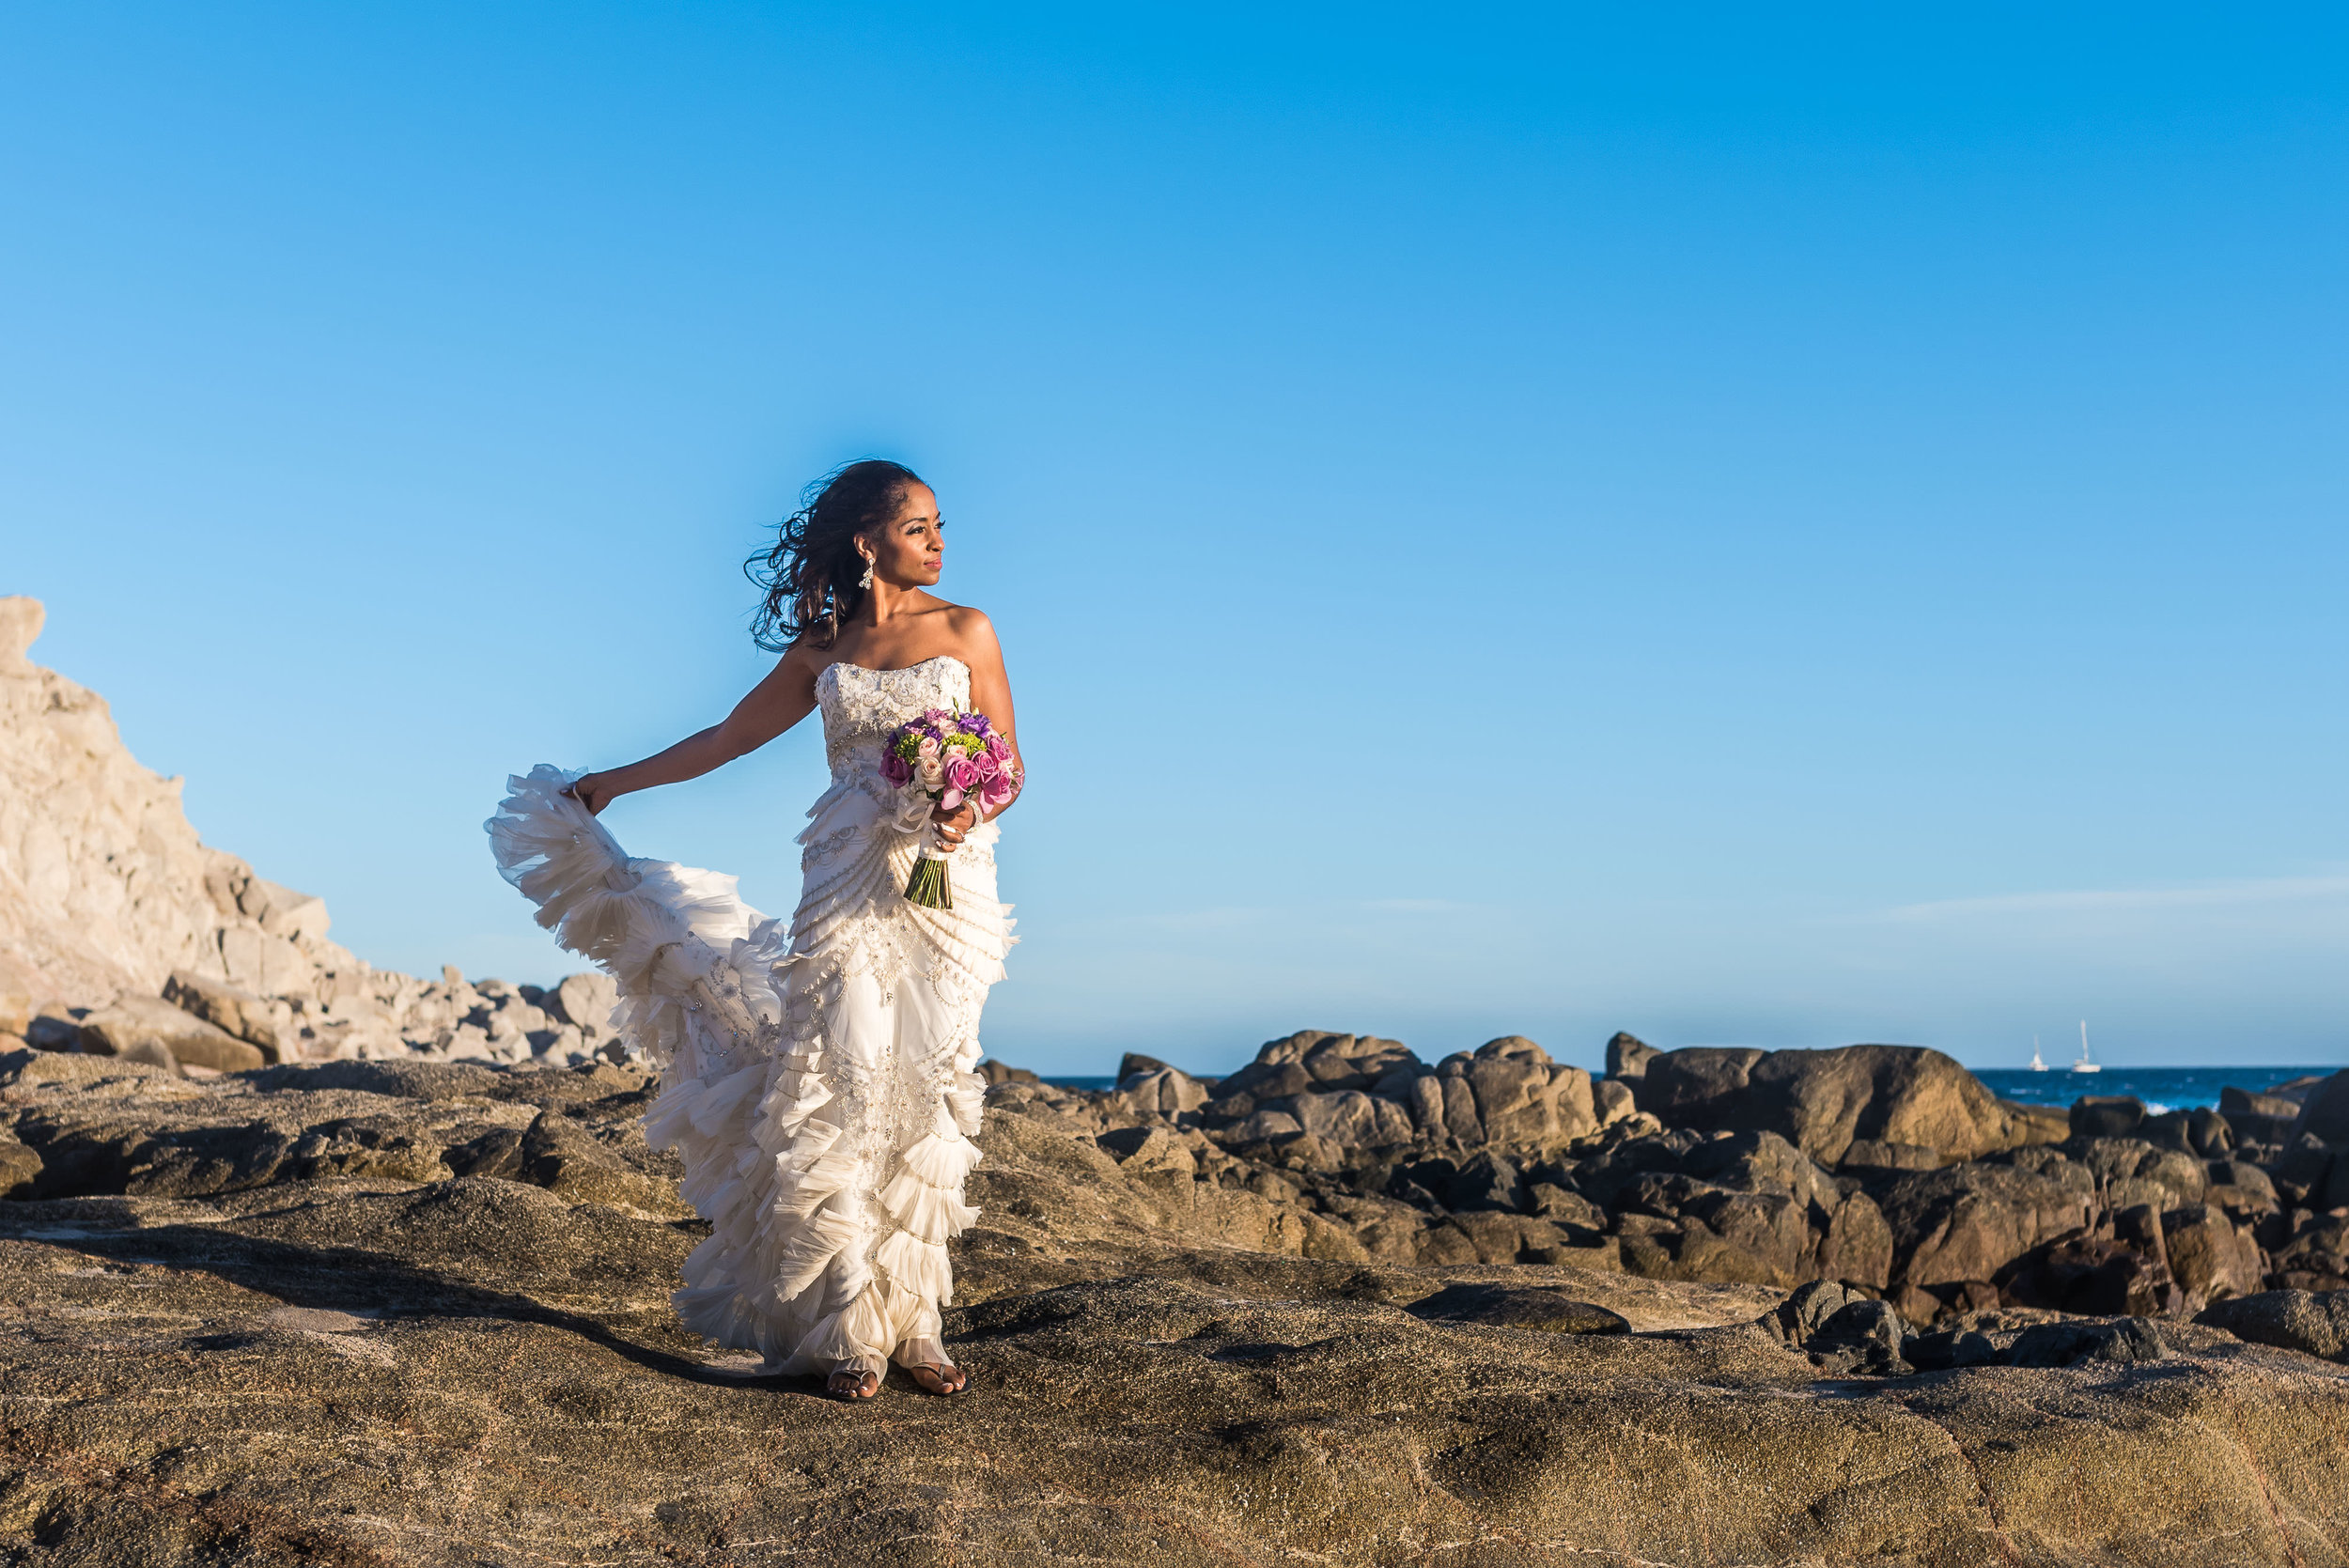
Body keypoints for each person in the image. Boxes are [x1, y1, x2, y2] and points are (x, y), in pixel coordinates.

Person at [487, 459, 1019, 1400]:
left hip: (945, 892)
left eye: (940, 525)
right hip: (846, 880)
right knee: (840, 1085)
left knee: (928, 1082)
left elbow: (1008, 764)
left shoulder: (966, 630)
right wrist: (613, 781)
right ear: (867, 540)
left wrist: (962, 810)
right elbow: (726, 739)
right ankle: (848, 1326)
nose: (939, 541)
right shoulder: (823, 650)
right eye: (919, 526)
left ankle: (918, 1324)